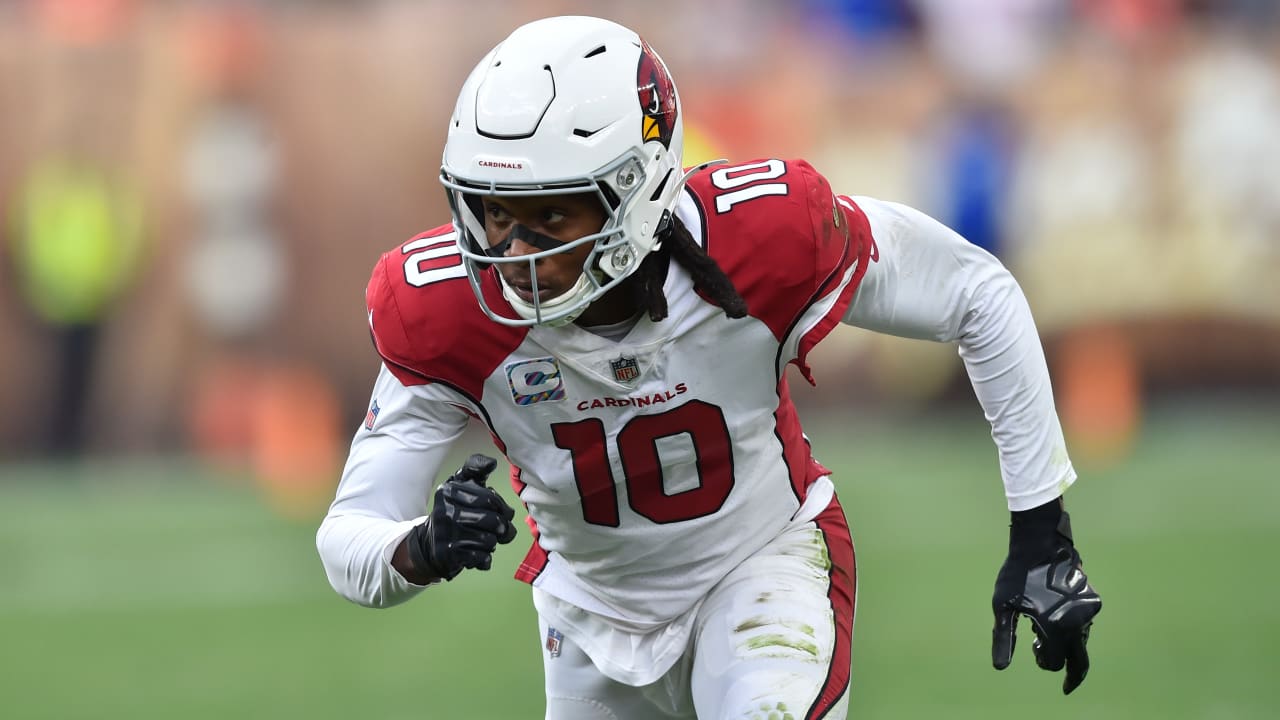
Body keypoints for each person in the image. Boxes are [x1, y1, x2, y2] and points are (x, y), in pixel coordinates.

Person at [316, 15, 1101, 719]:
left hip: (760, 569)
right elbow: (347, 538)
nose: (515, 256)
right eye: (495, 213)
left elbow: (976, 293)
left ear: (636, 190)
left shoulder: (765, 237)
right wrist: (423, 546)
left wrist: (1042, 530)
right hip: (588, 616)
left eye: (550, 215)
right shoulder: (450, 310)